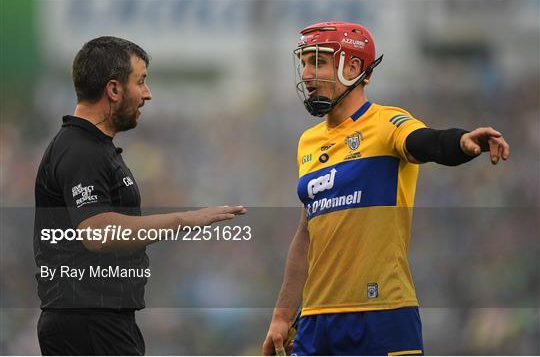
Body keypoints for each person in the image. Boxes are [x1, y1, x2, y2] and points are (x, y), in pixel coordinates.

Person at [262, 22, 509, 356]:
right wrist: (281, 317)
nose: (306, 74)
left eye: (317, 62)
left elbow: (426, 141)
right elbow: (307, 234)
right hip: (315, 323)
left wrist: (461, 142)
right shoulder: (308, 142)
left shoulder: (386, 123)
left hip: (382, 317)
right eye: (304, 62)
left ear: (352, 67)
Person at [34, 36, 246, 355]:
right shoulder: (81, 151)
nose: (148, 93)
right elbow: (98, 232)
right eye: (141, 81)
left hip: (101, 321)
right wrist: (184, 219)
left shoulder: (94, 148)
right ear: (114, 89)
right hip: (89, 323)